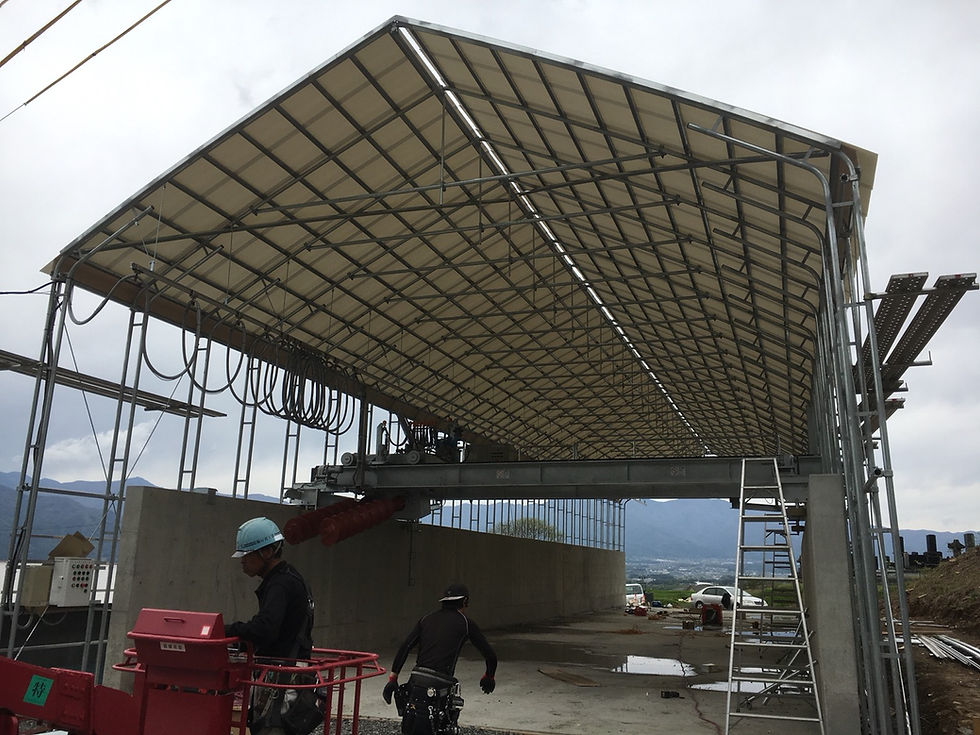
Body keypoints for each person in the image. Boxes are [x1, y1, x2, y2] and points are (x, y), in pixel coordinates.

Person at [226, 516, 316, 735]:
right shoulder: (289, 578)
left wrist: (226, 631)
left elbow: (265, 628)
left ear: (267, 552)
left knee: (271, 727)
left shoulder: (280, 584)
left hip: (282, 674)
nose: (242, 561)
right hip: (290, 668)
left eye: (247, 554)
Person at [383, 582, 497, 734]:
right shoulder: (465, 623)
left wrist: (393, 678)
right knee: (442, 725)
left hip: (416, 679)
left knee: (412, 721)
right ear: (465, 601)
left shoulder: (426, 619)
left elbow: (405, 646)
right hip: (440, 682)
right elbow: (490, 655)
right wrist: (489, 676)